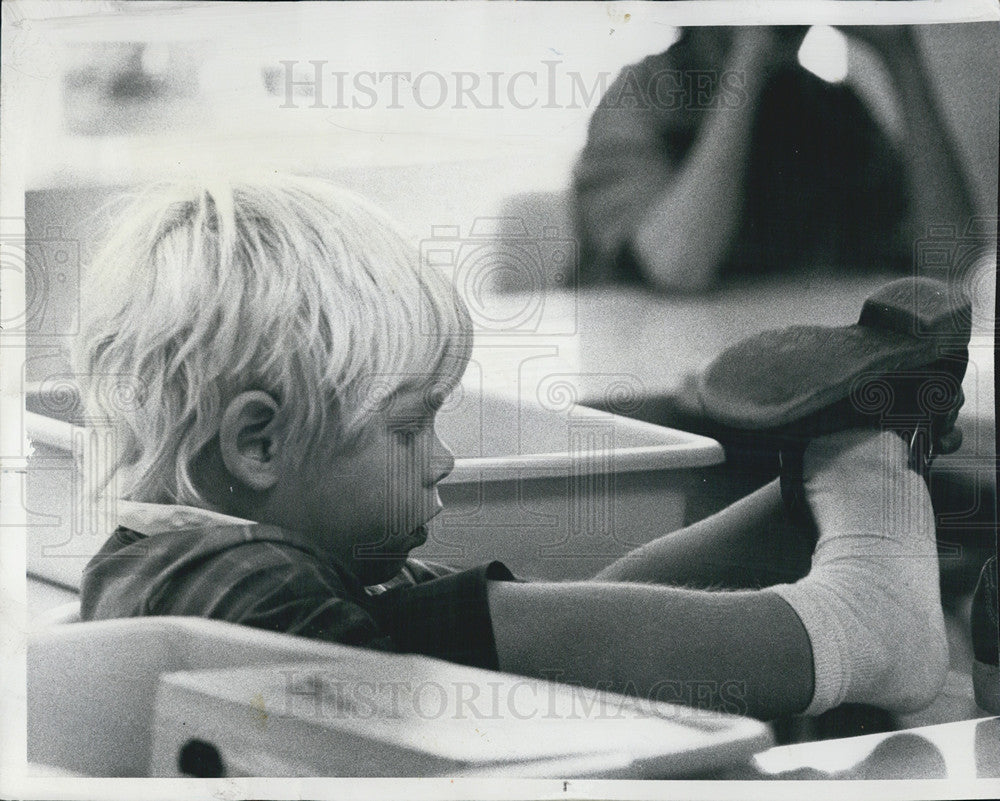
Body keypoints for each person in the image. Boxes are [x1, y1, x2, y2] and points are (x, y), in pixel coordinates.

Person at [77, 175, 957, 721]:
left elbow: (579, 633)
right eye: (410, 426)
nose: (442, 461)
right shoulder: (245, 598)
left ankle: (844, 479)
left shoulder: (193, 562)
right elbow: (537, 657)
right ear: (259, 442)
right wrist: (862, 596)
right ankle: (865, 596)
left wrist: (814, 485)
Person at [572, 25, 977, 292]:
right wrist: (750, 49)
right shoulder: (641, 94)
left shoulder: (826, 107)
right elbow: (676, 266)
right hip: (639, 377)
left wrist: (900, 53)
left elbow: (955, 257)